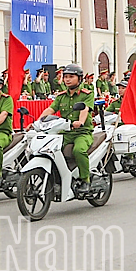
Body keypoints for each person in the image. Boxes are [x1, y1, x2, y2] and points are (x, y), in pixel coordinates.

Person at [35, 64, 95, 192]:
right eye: (65, 77)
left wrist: (80, 122)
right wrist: (38, 122)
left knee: (79, 150)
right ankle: (57, 179)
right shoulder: (61, 96)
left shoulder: (86, 94)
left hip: (82, 132)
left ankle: (85, 180)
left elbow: (85, 109)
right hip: (65, 132)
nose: (67, 79)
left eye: (71, 77)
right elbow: (51, 109)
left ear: (79, 79)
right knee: (49, 150)